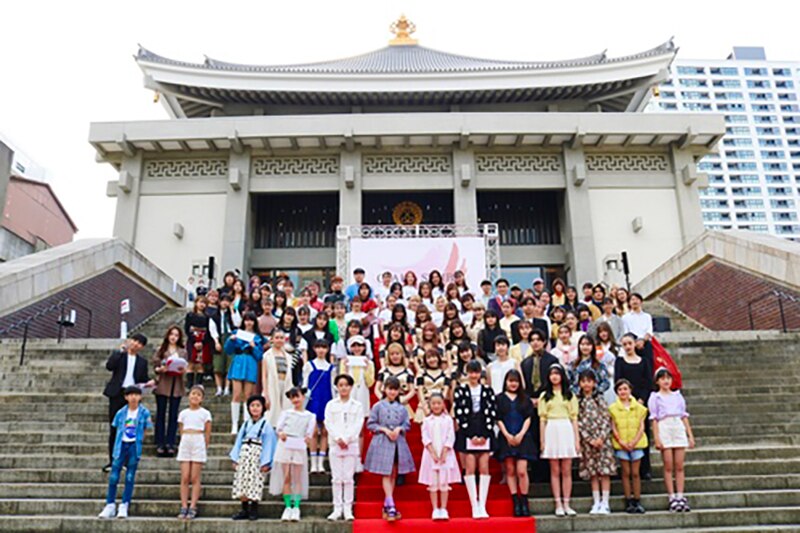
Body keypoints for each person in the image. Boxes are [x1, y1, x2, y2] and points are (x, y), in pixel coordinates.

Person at [364, 376, 416, 522]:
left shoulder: (402, 408)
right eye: (390, 389)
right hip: (383, 440)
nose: (392, 392)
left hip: (398, 441)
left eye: (395, 389)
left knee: (393, 472)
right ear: (385, 389)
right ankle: (391, 504)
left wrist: (399, 429)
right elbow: (370, 424)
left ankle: (388, 503)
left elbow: (407, 424)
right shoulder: (378, 406)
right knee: (386, 473)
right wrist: (384, 430)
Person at [97, 385, 153, 519]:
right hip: (121, 445)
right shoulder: (121, 412)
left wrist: (140, 439)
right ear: (126, 397)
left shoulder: (144, 413)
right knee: (114, 475)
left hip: (134, 445)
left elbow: (148, 428)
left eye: (136, 395)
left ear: (140, 397)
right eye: (130, 395)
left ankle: (124, 504)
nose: (133, 397)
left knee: (129, 476)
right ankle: (110, 504)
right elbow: (116, 427)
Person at [453, 360, 497, 520]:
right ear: (467, 373)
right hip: (467, 431)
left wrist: (484, 435)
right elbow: (459, 413)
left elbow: (492, 412)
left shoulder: (488, 390)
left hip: (484, 430)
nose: (473, 375)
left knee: (484, 467)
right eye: (471, 372)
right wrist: (471, 435)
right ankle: (474, 504)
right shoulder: (460, 390)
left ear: (480, 374)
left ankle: (482, 505)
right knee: (470, 467)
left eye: (476, 372)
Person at [102, 334, 151, 472]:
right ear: (130, 341)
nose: (136, 344)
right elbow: (109, 366)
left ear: (142, 347)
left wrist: (150, 382)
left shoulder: (142, 362)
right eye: (135, 341)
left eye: (140, 343)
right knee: (115, 427)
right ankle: (113, 460)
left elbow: (143, 378)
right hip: (117, 393)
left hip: (132, 395)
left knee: (130, 427)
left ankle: (126, 460)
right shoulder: (120, 355)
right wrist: (120, 351)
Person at [649, 368, 696, 513]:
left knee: (679, 465)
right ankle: (672, 497)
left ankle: (681, 495)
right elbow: (654, 419)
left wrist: (690, 435)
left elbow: (684, 416)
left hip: (677, 426)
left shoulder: (677, 396)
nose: (666, 381)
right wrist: (657, 438)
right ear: (657, 381)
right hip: (665, 426)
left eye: (668, 378)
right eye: (662, 378)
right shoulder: (655, 397)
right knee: (668, 465)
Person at [538, 363, 580, 517]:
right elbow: (542, 420)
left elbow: (574, 418)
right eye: (552, 374)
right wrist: (542, 440)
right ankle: (558, 503)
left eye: (557, 373)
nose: (554, 377)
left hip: (566, 429)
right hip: (551, 429)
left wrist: (577, 440)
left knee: (566, 470)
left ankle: (567, 503)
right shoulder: (544, 396)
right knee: (555, 469)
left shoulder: (570, 395)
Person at [270, 387, 316, 522]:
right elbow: (279, 429)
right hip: (285, 445)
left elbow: (309, 433)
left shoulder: (310, 416)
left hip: (298, 446)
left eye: (297, 396)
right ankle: (287, 507)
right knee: (287, 477)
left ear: (303, 397)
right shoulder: (286, 413)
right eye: (292, 397)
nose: (295, 400)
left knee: (297, 478)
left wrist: (307, 439)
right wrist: (281, 434)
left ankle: (296, 507)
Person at [230, 395, 278, 521]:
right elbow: (238, 441)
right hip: (244, 455)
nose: (255, 408)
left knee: (255, 482)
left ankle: (254, 509)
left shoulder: (266, 425)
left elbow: (269, 444)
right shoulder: (246, 424)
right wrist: (235, 458)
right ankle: (244, 508)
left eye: (258, 406)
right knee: (242, 481)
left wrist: (266, 462)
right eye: (252, 406)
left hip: (257, 456)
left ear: (263, 408)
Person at [576, 369, 616, 515]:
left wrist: (601, 437)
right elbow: (578, 422)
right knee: (592, 472)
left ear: (594, 383)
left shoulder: (600, 399)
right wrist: (589, 439)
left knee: (604, 472)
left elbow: (606, 419)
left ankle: (605, 502)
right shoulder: (578, 401)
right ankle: (596, 501)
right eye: (583, 381)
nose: (586, 384)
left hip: (603, 441)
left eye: (589, 381)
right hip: (588, 442)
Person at [496, 370, 535, 517]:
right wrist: (507, 435)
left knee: (522, 471)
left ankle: (524, 500)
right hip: (506, 436)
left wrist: (521, 434)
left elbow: (528, 418)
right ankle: (515, 501)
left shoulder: (525, 399)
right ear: (506, 382)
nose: (513, 384)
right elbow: (498, 418)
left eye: (516, 381)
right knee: (510, 470)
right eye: (510, 381)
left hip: (523, 436)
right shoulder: (499, 399)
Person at [615, 333, 654, 479]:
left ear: (634, 344)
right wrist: (627, 398)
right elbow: (618, 381)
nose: (627, 347)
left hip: (641, 404)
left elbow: (648, 382)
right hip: (625, 402)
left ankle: (645, 469)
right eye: (624, 344)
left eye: (629, 343)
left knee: (643, 434)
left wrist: (641, 400)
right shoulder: (620, 362)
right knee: (625, 434)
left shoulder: (644, 361)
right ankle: (627, 470)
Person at [325, 374, 363, 521]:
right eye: (341, 385)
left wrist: (347, 438)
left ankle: (348, 508)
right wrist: (337, 438)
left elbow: (358, 424)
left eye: (346, 385)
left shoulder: (357, 405)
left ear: (351, 387)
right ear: (336, 387)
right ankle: (337, 508)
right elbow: (328, 423)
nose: (344, 388)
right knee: (336, 478)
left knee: (348, 478)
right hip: (335, 444)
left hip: (350, 444)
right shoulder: (331, 405)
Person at [419, 392, 461, 521]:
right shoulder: (426, 421)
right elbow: (425, 437)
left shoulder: (448, 420)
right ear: (430, 405)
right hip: (430, 454)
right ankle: (435, 509)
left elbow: (450, 436)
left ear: (443, 404)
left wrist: (445, 451)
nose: (436, 406)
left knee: (444, 482)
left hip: (445, 454)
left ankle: (443, 508)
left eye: (439, 403)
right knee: (433, 483)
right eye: (433, 403)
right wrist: (432, 452)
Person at [609, 379, 648, 514]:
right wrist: (621, 441)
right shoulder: (613, 409)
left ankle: (637, 499)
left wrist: (634, 441)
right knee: (625, 472)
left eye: (625, 389)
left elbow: (641, 427)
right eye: (620, 389)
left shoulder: (639, 408)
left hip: (636, 443)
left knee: (635, 473)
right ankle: (628, 500)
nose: (623, 392)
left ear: (630, 390)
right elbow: (613, 427)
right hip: (622, 444)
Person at [225, 312, 266, 434]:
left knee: (248, 395)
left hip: (251, 363)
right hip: (238, 361)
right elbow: (228, 350)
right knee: (237, 394)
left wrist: (254, 347)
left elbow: (259, 356)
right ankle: (234, 424)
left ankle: (246, 423)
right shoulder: (236, 333)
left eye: (251, 320)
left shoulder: (258, 337)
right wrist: (231, 341)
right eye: (247, 320)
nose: (249, 323)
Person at [176, 385, 212, 520]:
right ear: (188, 396)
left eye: (198, 394)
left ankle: (193, 506)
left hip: (198, 440)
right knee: (185, 477)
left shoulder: (205, 413)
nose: (195, 396)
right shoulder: (183, 413)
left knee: (195, 477)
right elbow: (181, 429)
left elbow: (207, 432)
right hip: (186, 441)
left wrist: (204, 445)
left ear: (202, 398)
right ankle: (184, 505)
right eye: (193, 393)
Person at [152, 326, 186, 458]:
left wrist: (183, 369)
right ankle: (160, 443)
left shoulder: (182, 351)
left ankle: (170, 443)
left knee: (173, 415)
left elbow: (185, 366)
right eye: (172, 334)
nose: (173, 337)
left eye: (176, 335)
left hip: (176, 384)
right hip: (163, 382)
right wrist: (160, 369)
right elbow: (155, 365)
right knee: (161, 414)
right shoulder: (161, 349)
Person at [303, 339, 334, 474]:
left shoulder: (331, 367)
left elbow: (333, 387)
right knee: (314, 431)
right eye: (318, 347)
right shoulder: (309, 365)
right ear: (314, 349)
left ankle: (321, 463)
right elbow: (305, 384)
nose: (321, 350)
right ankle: (313, 463)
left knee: (326, 432)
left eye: (324, 347)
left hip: (327, 400)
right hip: (313, 401)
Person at [263, 329, 299, 428]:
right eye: (277, 338)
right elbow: (264, 375)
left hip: (286, 384)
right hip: (272, 384)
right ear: (272, 339)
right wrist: (265, 393)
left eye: (281, 338)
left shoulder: (288, 356)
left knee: (286, 409)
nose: (279, 340)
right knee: (272, 410)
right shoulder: (267, 355)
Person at [184, 296, 216, 388]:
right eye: (200, 302)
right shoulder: (190, 315)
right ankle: (189, 384)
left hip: (204, 341)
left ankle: (199, 384)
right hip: (192, 340)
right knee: (191, 361)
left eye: (204, 303)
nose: (202, 305)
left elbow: (209, 331)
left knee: (200, 363)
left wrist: (202, 342)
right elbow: (187, 329)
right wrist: (194, 340)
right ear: (196, 303)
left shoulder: (208, 317)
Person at [214, 294, 236, 396]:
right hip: (219, 338)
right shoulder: (215, 315)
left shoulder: (232, 313)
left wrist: (232, 310)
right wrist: (216, 342)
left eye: (227, 301)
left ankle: (227, 388)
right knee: (218, 365)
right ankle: (219, 388)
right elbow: (212, 328)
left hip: (231, 339)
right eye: (223, 300)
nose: (225, 303)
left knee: (229, 365)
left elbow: (237, 323)